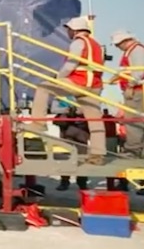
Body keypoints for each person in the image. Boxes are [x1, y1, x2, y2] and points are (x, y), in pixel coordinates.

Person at [30, 16, 106, 165]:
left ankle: (38, 123)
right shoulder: (96, 45)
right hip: (94, 85)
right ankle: (98, 155)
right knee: (95, 121)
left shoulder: (79, 42)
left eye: (69, 30)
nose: (68, 32)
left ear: (75, 30)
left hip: (79, 81)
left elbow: (71, 64)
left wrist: (58, 78)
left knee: (44, 87)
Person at [111, 30, 144, 158]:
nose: (117, 47)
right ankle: (136, 149)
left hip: (136, 91)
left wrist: (130, 85)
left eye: (117, 44)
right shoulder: (134, 50)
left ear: (124, 41)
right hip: (136, 90)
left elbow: (139, 70)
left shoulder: (136, 50)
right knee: (135, 120)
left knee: (133, 121)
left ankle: (133, 150)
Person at [53, 107, 89, 191]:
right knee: (66, 161)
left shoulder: (86, 110)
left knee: (82, 162)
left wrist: (82, 113)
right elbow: (56, 121)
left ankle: (82, 183)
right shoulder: (65, 110)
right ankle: (64, 182)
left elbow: (92, 124)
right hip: (67, 140)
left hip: (82, 140)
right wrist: (67, 114)